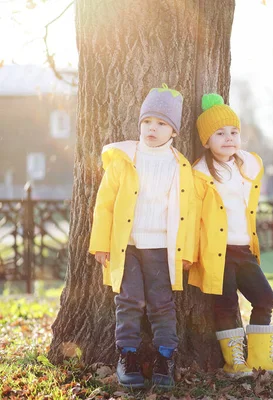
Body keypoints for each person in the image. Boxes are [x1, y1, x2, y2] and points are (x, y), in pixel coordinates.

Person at [89, 84, 195, 388]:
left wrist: (185, 252)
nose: (153, 128)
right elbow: (104, 204)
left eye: (162, 123)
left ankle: (165, 358)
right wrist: (101, 244)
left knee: (163, 304)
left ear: (173, 131)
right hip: (128, 246)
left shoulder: (180, 166)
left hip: (162, 247)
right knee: (129, 300)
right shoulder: (124, 158)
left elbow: (187, 212)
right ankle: (128, 355)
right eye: (147, 121)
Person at [188, 93, 273, 378]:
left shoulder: (245, 166)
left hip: (244, 250)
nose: (229, 138)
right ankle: (234, 362)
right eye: (219, 133)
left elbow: (254, 163)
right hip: (217, 252)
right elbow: (192, 220)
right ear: (206, 140)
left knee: (264, 298)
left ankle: (260, 358)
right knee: (225, 305)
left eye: (234, 132)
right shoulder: (199, 174)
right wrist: (188, 254)